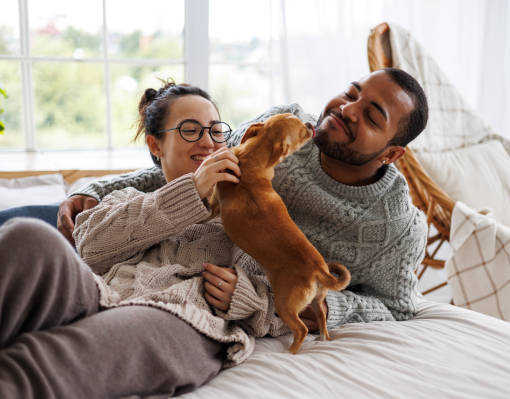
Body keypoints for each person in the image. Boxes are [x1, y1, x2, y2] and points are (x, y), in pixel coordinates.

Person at [0, 80, 267, 399]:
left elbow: (283, 295)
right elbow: (91, 248)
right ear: (155, 145)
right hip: (99, 294)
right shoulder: (127, 200)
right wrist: (191, 192)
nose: (208, 141)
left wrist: (247, 297)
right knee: (26, 238)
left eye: (215, 130)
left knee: (41, 360)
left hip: (181, 318)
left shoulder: (243, 219)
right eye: (191, 130)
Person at [61, 67, 430, 327]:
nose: (346, 109)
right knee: (33, 231)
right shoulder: (283, 126)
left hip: (208, 272)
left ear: (391, 154)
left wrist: (303, 304)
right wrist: (93, 190)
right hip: (147, 219)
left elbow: (396, 307)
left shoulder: (398, 228)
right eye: (351, 93)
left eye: (371, 116)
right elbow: (201, 168)